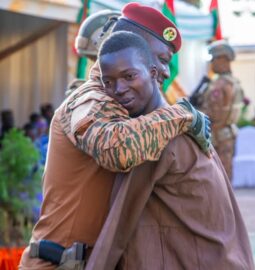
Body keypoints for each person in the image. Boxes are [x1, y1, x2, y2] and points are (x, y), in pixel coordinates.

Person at [19, 3, 211, 269]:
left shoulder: (124, 101)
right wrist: (183, 116)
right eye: (163, 60)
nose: (166, 72)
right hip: (60, 263)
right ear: (134, 49)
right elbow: (119, 150)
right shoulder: (92, 99)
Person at [86, 30, 255, 270]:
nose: (119, 89)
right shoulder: (181, 122)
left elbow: (117, 231)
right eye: (108, 82)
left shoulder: (157, 137)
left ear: (153, 73)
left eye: (129, 76)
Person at [200, 39, 244, 180]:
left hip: (217, 136)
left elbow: (215, 114)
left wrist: (195, 111)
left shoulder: (219, 85)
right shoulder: (234, 82)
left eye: (214, 59)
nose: (212, 63)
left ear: (223, 59)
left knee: (218, 177)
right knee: (226, 173)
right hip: (228, 133)